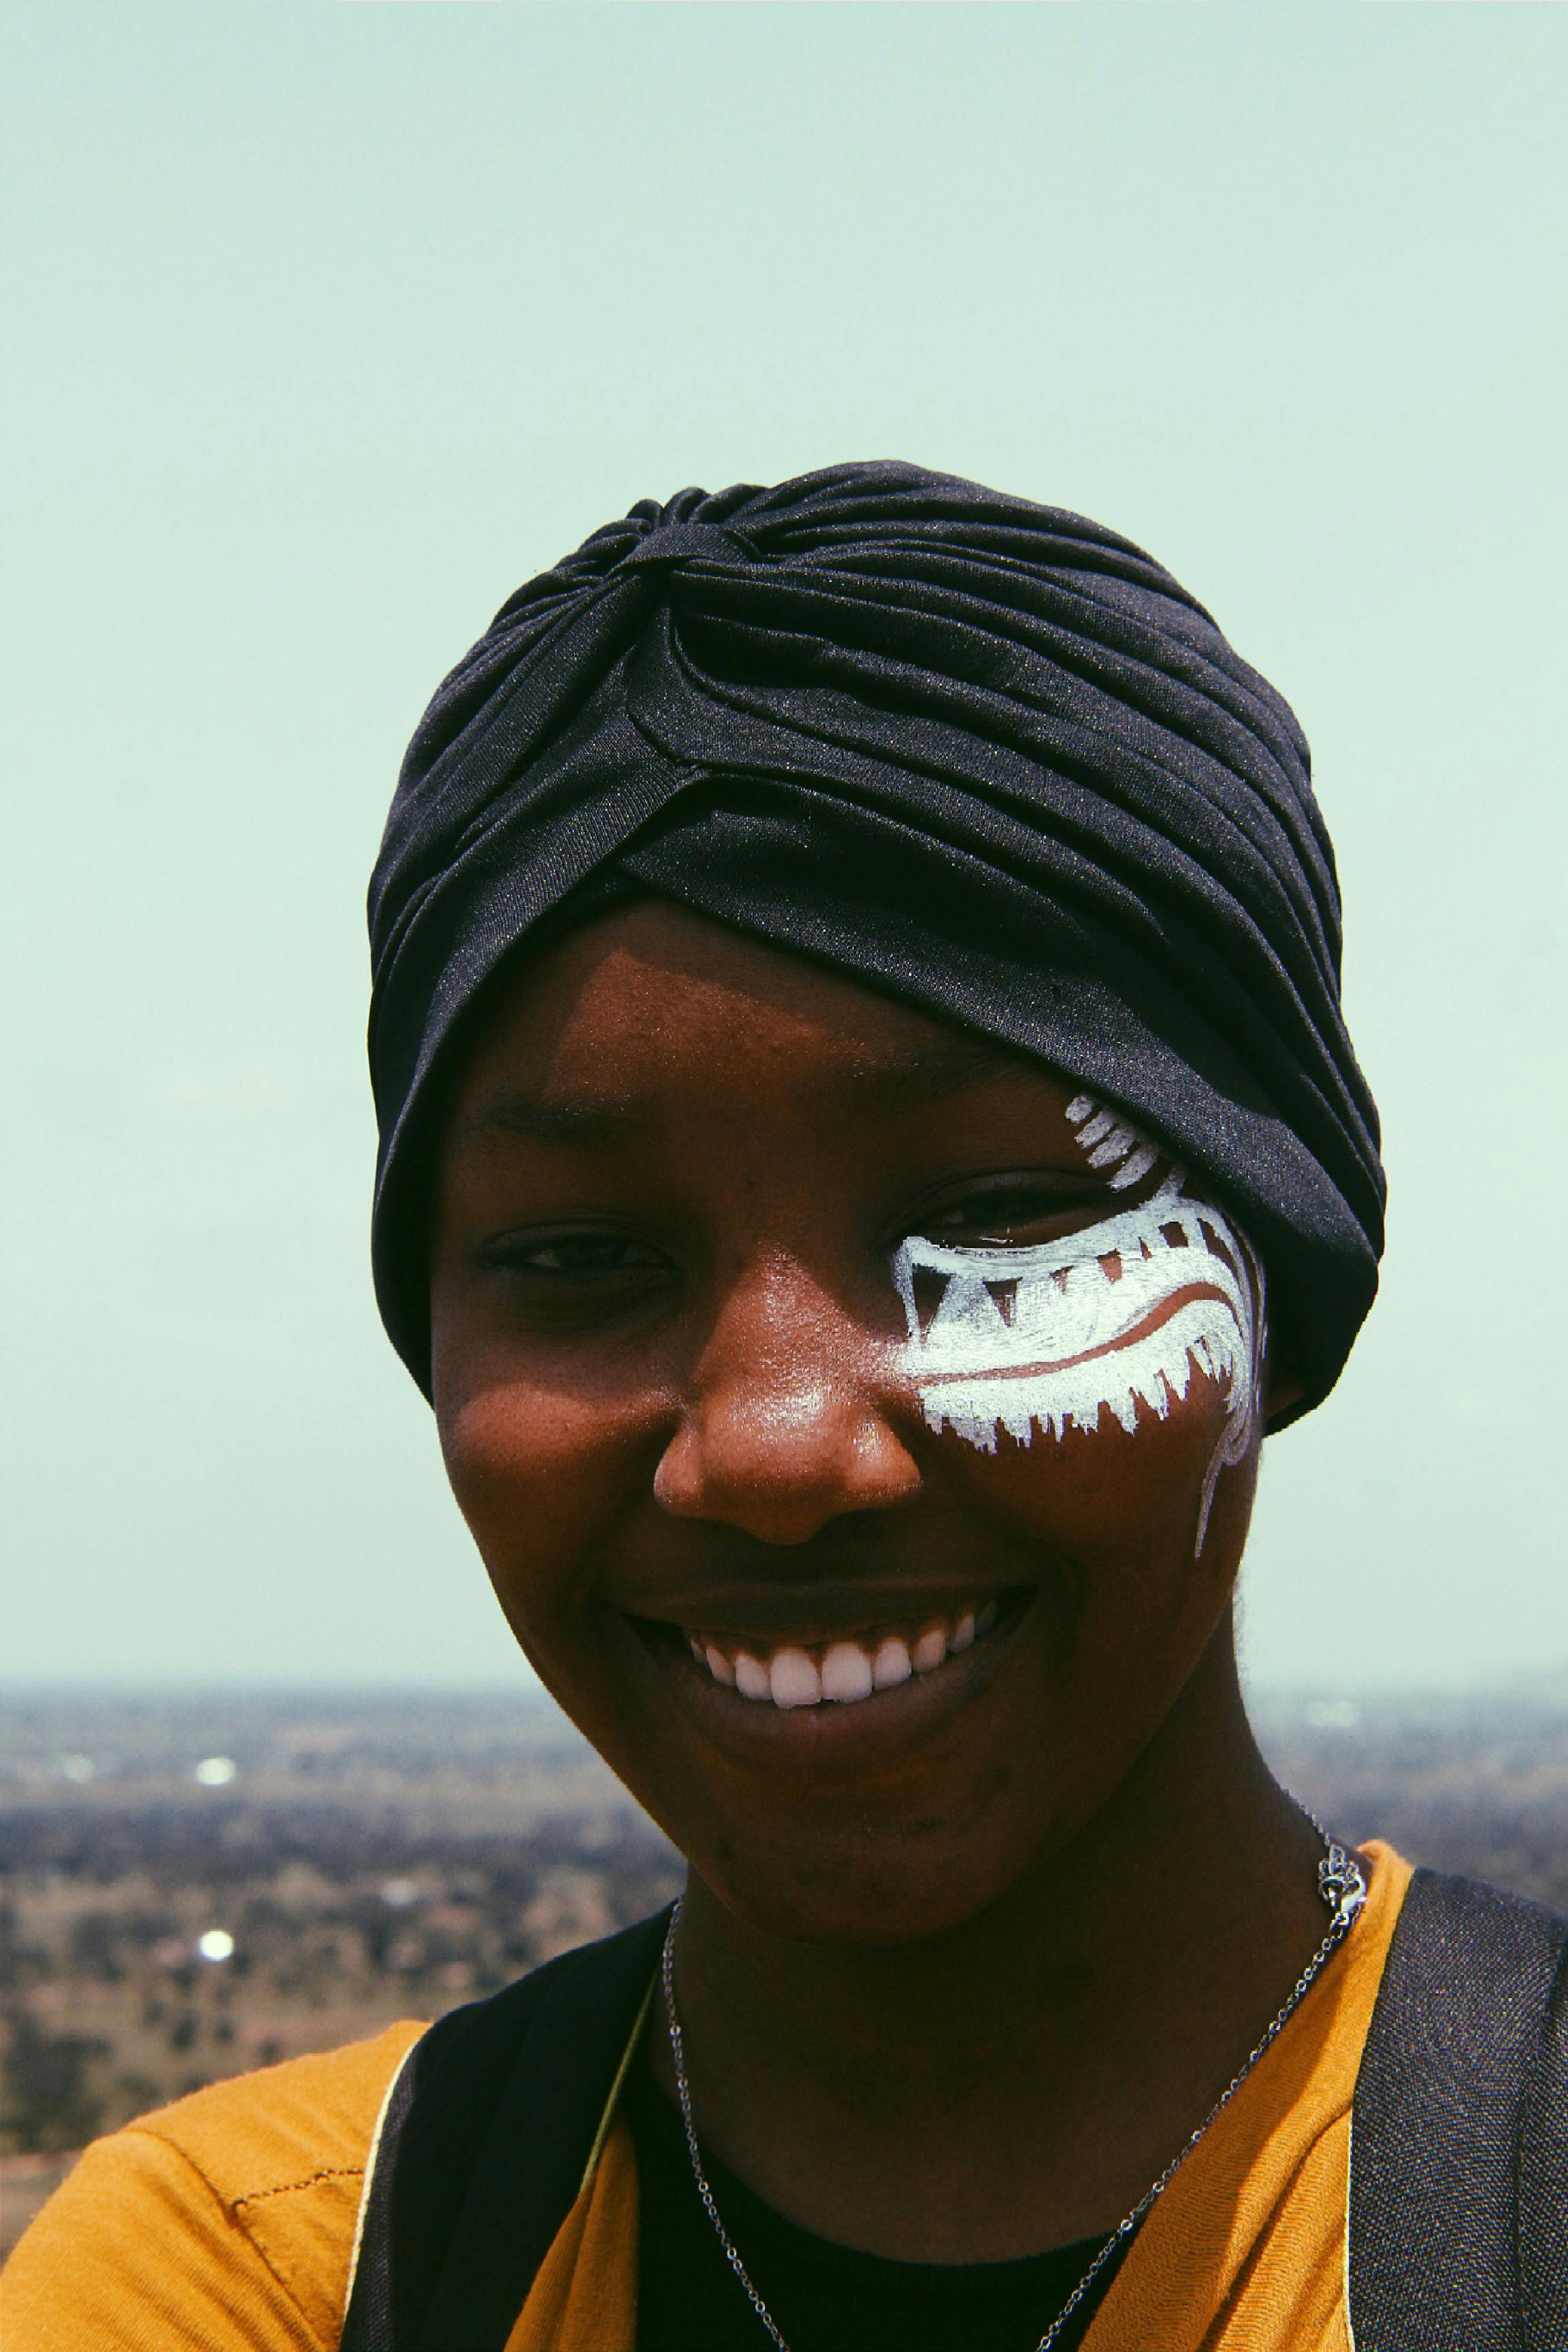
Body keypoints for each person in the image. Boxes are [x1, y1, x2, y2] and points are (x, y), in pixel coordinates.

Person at [7, 463, 1563, 2351]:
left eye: (992, 1215)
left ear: (1284, 1266)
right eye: (585, 1259)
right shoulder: (256, 2285)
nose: (769, 1442)